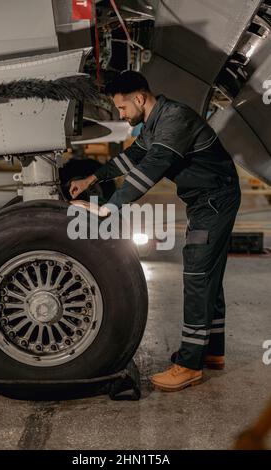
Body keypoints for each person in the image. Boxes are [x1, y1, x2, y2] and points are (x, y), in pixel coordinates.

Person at [70, 70, 241, 392]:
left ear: (139, 98)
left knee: (197, 275)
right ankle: (212, 352)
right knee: (209, 275)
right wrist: (92, 180)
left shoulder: (175, 118)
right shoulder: (154, 122)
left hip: (214, 201)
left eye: (121, 108)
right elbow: (133, 157)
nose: (120, 114)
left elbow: (153, 166)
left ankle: (189, 364)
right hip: (206, 200)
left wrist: (111, 206)